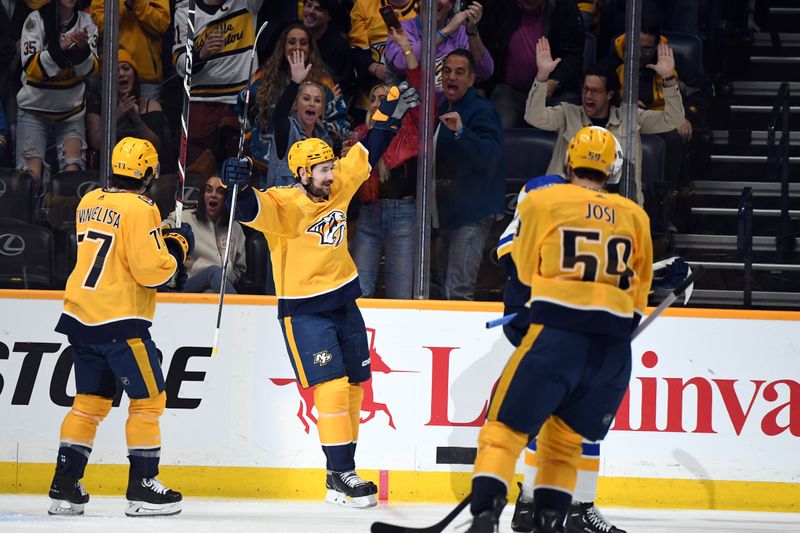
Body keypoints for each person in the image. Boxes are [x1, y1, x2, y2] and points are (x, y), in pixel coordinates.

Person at [219, 82, 419, 507]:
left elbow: (369, 151)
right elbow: (251, 207)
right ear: (302, 175)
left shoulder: (339, 184)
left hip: (345, 302)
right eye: (323, 170)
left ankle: (339, 475)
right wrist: (235, 180)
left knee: (356, 388)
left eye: (331, 167)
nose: (331, 174)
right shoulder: (284, 204)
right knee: (329, 388)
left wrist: (387, 114)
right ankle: (342, 474)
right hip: (305, 313)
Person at [466, 126, 653, 533]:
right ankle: (550, 511)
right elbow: (639, 297)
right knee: (566, 443)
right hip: (613, 348)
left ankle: (488, 513)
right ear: (614, 168)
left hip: (556, 329)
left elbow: (522, 263)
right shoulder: (636, 215)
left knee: (506, 430)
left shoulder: (544, 198)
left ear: (569, 160)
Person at [49, 137, 194, 517]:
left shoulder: (89, 201)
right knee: (149, 402)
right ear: (147, 174)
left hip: (82, 317)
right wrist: (176, 247)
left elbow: (117, 252)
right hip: (120, 322)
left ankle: (65, 486)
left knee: (88, 405)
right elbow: (149, 272)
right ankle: (143, 487)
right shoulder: (142, 207)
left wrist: (160, 238)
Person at [496, 131, 628, 533]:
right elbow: (509, 251)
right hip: (547, 315)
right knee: (577, 410)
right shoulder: (548, 192)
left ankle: (532, 503)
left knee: (555, 410)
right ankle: (573, 507)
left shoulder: (598, 207)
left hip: (563, 316)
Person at [525, 36, 685, 206]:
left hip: (617, 207)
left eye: (595, 91)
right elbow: (534, 117)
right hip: (567, 203)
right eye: (585, 89)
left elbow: (673, 119)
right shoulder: (567, 113)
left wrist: (668, 78)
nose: (588, 96)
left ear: (609, 94)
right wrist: (542, 77)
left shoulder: (630, 117)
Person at [351, 25, 421, 299]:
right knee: (359, 293)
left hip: (403, 215)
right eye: (375, 99)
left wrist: (406, 48)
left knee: (400, 294)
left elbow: (418, 86)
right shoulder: (359, 135)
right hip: (369, 214)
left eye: (385, 99)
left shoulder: (410, 128)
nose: (378, 103)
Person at [434, 48, 504, 301]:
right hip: (448, 212)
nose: (452, 77)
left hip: (472, 213)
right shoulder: (441, 106)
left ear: (472, 79)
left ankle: (458, 341)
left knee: (458, 291)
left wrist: (462, 132)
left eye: (459, 72)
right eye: (447, 71)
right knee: (445, 287)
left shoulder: (479, 109)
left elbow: (491, 155)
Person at [248, 23, 350, 182]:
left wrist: (323, 127)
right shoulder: (262, 77)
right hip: (266, 171)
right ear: (283, 46)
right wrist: (253, 143)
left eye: (303, 43)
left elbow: (341, 122)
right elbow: (251, 112)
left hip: (312, 183)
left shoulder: (325, 83)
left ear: (310, 48)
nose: (297, 47)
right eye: (292, 42)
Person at [16, 0, 99, 191]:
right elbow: (31, 68)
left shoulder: (87, 22)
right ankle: (29, 220)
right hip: (33, 111)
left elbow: (91, 69)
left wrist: (82, 50)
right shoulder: (35, 20)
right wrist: (60, 48)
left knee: (72, 176)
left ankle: (65, 219)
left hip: (71, 112)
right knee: (31, 179)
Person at [172, 0, 263, 174]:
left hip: (239, 100)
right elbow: (179, 63)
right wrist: (200, 54)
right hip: (201, 101)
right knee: (196, 172)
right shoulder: (185, 10)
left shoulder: (246, 3)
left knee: (238, 172)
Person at [479, 0, 585, 128]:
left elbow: (573, 56)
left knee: (564, 133)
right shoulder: (502, 5)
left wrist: (555, 81)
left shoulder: (565, 8)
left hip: (556, 92)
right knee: (498, 130)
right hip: (511, 91)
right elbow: (486, 45)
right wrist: (482, 85)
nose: (527, 2)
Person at [384, 0, 494, 94]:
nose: (434, 1)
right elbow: (402, 63)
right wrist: (446, 32)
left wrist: (471, 30)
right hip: (413, 109)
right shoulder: (403, 29)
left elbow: (485, 72)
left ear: (452, 4)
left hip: (453, 108)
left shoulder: (460, 32)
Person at [162, 175, 246, 294]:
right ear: (203, 195)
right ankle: (239, 311)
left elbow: (239, 268)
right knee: (213, 272)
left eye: (220, 192)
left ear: (227, 198)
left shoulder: (235, 227)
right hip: (187, 284)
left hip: (217, 286)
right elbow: (163, 230)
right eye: (209, 190)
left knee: (210, 293)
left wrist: (225, 278)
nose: (213, 195)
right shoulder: (184, 218)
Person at [264, 48, 334, 188]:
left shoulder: (325, 140)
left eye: (317, 100)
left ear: (321, 109)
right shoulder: (288, 129)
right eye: (306, 98)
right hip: (283, 206)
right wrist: (295, 82)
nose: (312, 104)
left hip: (312, 207)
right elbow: (278, 116)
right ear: (297, 104)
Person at [86, 49, 170, 157]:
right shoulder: (98, 106)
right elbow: (97, 143)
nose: (121, 74)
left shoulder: (150, 105)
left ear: (134, 74)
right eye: (115, 70)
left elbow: (156, 147)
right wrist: (116, 116)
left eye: (126, 68)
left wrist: (137, 120)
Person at [90, 0, 170, 100]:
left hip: (146, 76)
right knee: (115, 115)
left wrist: (137, 3)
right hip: (112, 75)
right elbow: (98, 27)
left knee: (148, 115)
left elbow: (162, 24)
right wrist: (125, 5)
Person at [302, 0, 354, 89]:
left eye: (318, 9)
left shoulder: (339, 47)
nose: (310, 11)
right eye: (308, 5)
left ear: (329, 16)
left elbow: (343, 88)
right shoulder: (291, 33)